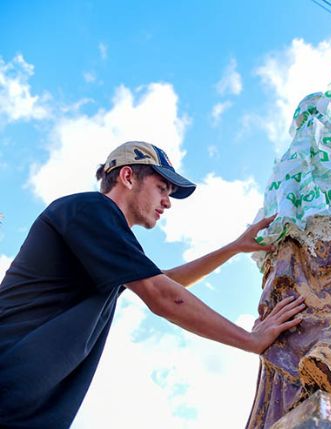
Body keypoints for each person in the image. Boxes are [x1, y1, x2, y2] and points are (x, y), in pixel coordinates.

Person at [0, 140, 305, 428]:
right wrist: (251, 340)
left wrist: (233, 247)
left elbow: (165, 281)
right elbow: (161, 295)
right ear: (128, 176)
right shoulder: (90, 210)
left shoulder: (100, 243)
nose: (167, 203)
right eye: (162, 188)